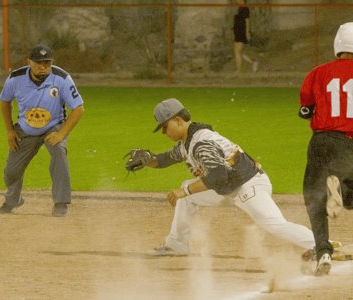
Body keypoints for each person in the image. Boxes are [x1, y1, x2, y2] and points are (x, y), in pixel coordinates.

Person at [135, 98, 316, 257]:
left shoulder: (201, 143)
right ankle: (177, 243)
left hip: (249, 186)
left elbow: (218, 177)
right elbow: (165, 159)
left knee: (274, 225)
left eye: (165, 126)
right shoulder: (187, 142)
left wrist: (185, 191)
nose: (164, 132)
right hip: (230, 186)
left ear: (177, 120)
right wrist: (148, 160)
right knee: (187, 196)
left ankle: (322, 245)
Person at [0, 44, 84, 217]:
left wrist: (61, 134)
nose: (43, 66)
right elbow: (5, 102)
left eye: (47, 62)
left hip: (53, 127)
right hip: (25, 129)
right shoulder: (15, 78)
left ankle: (61, 202)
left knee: (59, 152)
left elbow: (79, 108)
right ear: (28, 62)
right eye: (38, 63)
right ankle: (13, 200)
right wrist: (9, 131)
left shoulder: (62, 78)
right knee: (11, 172)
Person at [299, 22, 353, 275]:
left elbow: (305, 110)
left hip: (322, 141)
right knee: (351, 196)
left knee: (314, 197)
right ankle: (342, 191)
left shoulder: (318, 72)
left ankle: (323, 253)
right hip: (350, 142)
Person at [232, 0, 258, 73]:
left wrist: (247, 33)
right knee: (239, 52)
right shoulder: (240, 8)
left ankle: (238, 70)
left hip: (241, 32)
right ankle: (253, 62)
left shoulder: (245, 9)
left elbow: (247, 21)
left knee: (237, 52)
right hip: (238, 32)